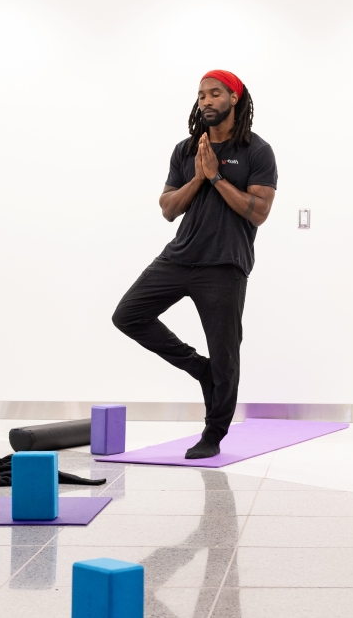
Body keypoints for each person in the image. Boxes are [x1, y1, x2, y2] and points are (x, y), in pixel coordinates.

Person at [112, 71, 277, 459]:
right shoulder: (186, 150)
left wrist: (217, 176)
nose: (205, 101)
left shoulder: (257, 151)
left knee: (226, 355)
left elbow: (259, 212)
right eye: (201, 95)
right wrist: (199, 178)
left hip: (224, 264)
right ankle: (198, 369)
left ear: (234, 98)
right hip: (180, 256)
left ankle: (213, 434)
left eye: (215, 93)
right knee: (128, 315)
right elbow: (168, 209)